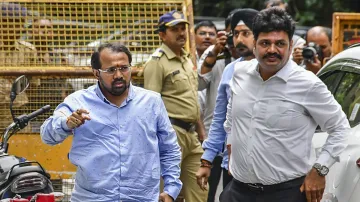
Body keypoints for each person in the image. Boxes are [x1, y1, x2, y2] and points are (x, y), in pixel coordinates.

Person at [220, 8, 350, 202]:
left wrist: (320, 169)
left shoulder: (307, 84)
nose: (272, 50)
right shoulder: (240, 73)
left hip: (285, 194)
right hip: (238, 191)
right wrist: (231, 147)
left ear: (290, 46)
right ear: (254, 44)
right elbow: (231, 116)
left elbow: (340, 128)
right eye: (265, 43)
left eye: (280, 43)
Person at [40, 43, 182, 202]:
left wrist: (171, 189)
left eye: (124, 68)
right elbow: (47, 136)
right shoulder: (78, 101)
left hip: (141, 197)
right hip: (91, 198)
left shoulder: (152, 102)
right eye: (111, 70)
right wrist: (66, 124)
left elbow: (169, 149)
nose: (119, 75)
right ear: (96, 73)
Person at [143, 10, 208, 202]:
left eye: (183, 29)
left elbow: (191, 99)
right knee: (164, 191)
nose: (181, 33)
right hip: (171, 133)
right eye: (175, 30)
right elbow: (150, 105)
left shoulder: (186, 59)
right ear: (162, 34)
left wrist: (201, 130)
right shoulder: (156, 62)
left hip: (192, 134)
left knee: (200, 187)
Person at [195, 8, 259, 201]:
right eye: (236, 34)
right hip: (231, 164)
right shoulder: (230, 69)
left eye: (246, 33)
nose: (239, 39)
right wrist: (206, 160)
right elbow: (220, 120)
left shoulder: (275, 70)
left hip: (268, 167)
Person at [0, 3, 32, 132]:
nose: (19, 28)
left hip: (18, 113)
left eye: (20, 23)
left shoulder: (29, 50)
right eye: (13, 23)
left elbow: (33, 85)